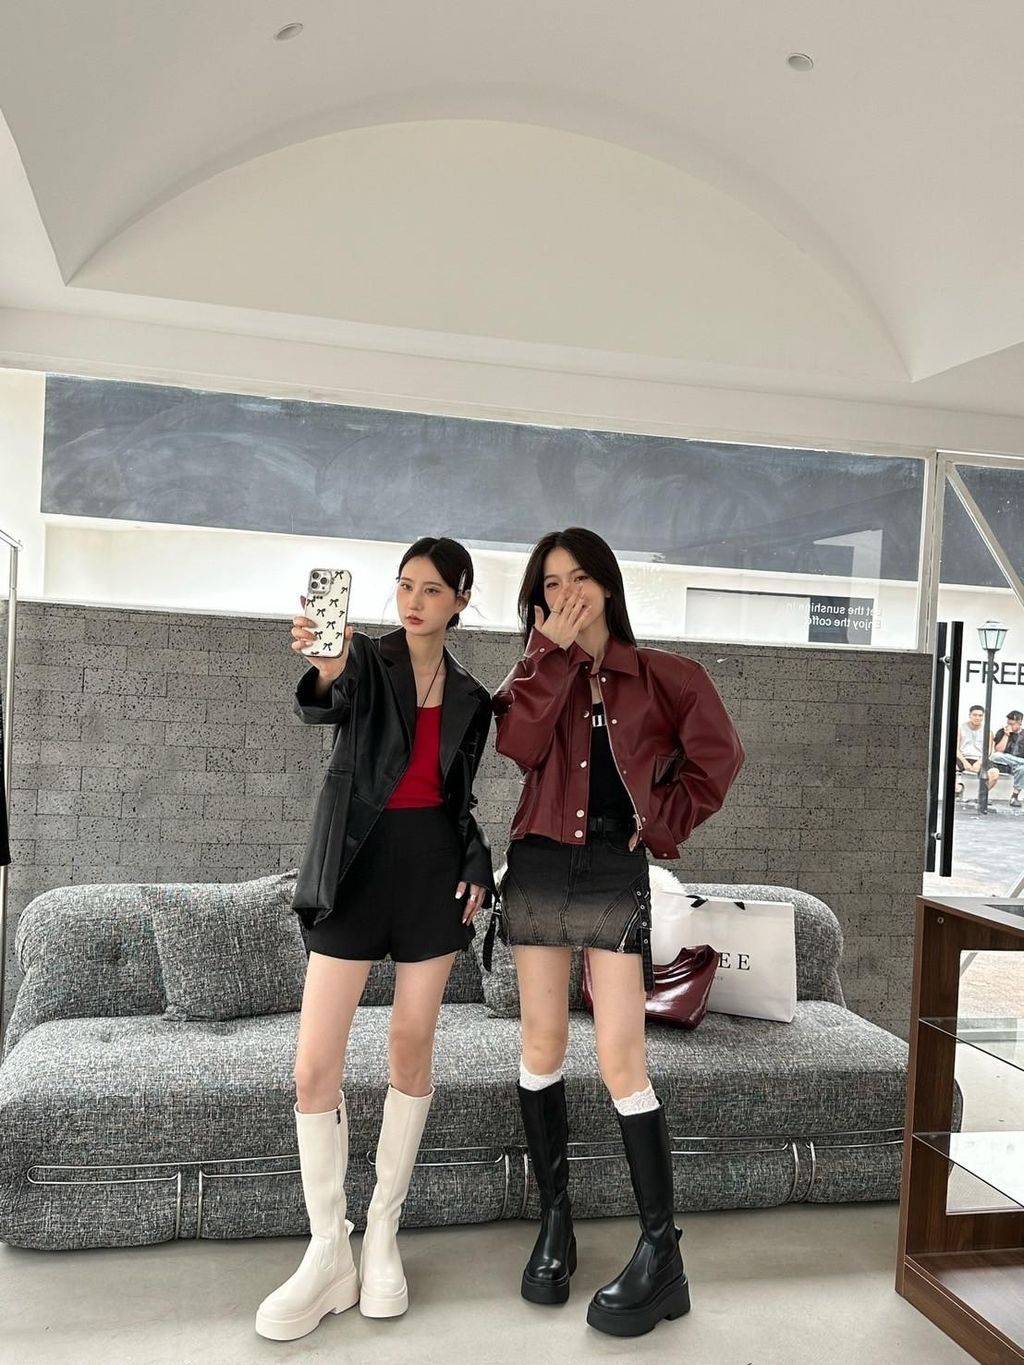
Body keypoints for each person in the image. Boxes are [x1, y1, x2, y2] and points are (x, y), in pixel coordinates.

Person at [487, 527, 744, 1338]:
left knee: (622, 1054)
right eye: (550, 584)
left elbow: (719, 758)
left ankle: (662, 1252)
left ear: (605, 584)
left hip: (610, 867)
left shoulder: (668, 676)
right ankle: (555, 1220)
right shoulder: (535, 670)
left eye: (578, 578)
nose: (566, 593)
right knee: (541, 1043)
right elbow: (516, 744)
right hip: (537, 861)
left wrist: (662, 822)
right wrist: (547, 655)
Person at [255, 537, 495, 1341]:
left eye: (431, 589)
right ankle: (330, 1248)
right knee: (312, 1066)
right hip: (354, 869)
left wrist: (478, 859)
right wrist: (327, 664)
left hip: (432, 876)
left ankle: (383, 1232)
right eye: (404, 585)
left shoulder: (473, 696)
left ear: (460, 599)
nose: (413, 600)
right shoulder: (363, 659)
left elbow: (457, 800)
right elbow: (323, 701)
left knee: (410, 1046)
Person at [955, 704, 999, 799]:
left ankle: (981, 795)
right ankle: (959, 789)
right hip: (963, 757)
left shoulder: (988, 731)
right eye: (974, 715)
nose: (977, 718)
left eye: (980, 715)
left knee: (994, 773)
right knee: (947, 766)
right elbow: (955, 749)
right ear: (969, 715)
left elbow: (988, 751)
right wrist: (965, 762)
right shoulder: (960, 728)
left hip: (980, 758)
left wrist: (979, 763)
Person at [991, 709, 1024, 807]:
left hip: (1016, 767)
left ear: (1020, 723)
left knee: (1022, 768)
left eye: (1012, 724)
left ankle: (1014, 797)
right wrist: (1006, 735)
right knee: (996, 755)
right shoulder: (1002, 732)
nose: (1009, 726)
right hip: (1002, 764)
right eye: (1008, 723)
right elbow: (998, 751)